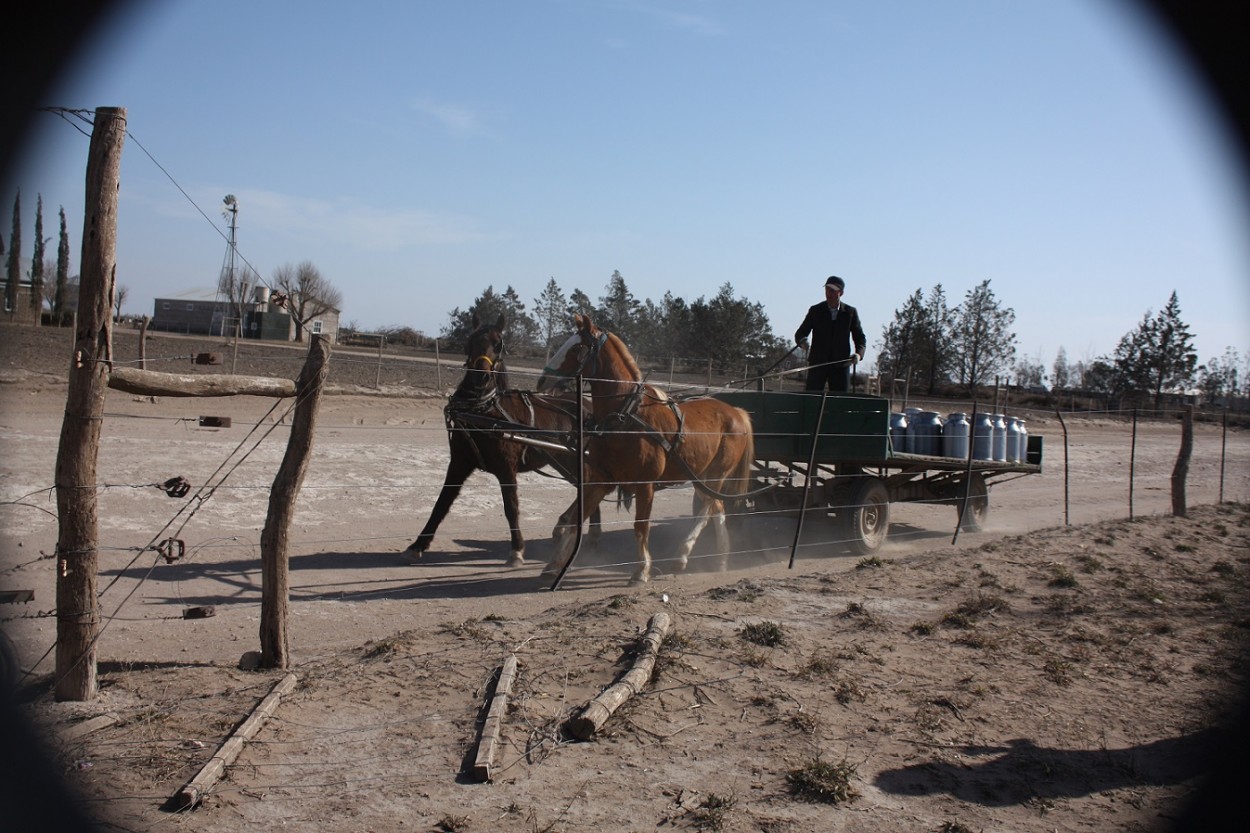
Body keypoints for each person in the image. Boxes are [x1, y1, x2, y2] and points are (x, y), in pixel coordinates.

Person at [795, 275, 867, 392]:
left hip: (841, 365)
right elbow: (800, 334)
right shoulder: (816, 311)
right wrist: (803, 342)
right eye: (827, 289)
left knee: (840, 403)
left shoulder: (850, 313)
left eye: (832, 291)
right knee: (811, 399)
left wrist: (858, 354)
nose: (829, 293)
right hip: (818, 364)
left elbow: (860, 339)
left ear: (841, 293)